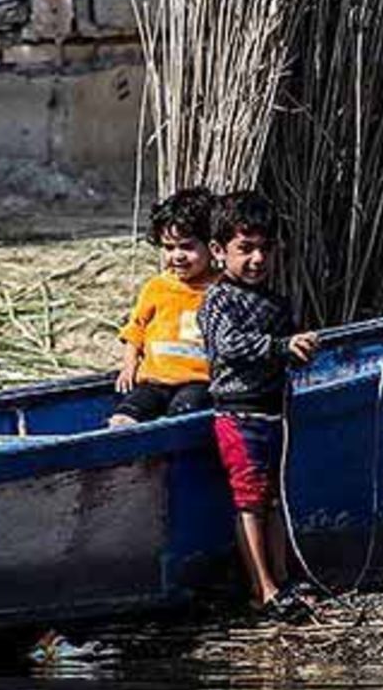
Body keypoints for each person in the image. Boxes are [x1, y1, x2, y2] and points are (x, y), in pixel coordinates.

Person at [197, 191, 318, 619]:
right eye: (244, 249)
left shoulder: (276, 302)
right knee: (249, 500)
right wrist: (283, 346)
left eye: (264, 249)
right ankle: (262, 590)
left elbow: (282, 350)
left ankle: (283, 580)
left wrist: (299, 349)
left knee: (273, 500)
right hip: (239, 415)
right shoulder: (218, 300)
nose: (256, 259)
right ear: (218, 251)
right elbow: (229, 346)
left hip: (274, 413)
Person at [109, 187, 217, 427]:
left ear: (212, 246)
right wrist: (129, 367)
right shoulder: (157, 287)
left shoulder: (222, 291)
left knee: (180, 417)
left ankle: (159, 463)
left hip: (198, 381)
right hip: (154, 381)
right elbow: (135, 330)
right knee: (123, 418)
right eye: (169, 247)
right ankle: (126, 463)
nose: (177, 256)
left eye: (187, 247)